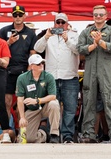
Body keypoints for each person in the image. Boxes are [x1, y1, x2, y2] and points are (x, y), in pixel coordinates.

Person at [77, 5, 111, 143]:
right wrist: (92, 46)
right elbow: (79, 49)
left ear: (106, 16)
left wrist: (100, 42)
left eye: (101, 14)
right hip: (90, 71)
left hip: (107, 71)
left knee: (110, 101)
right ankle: (88, 134)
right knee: (89, 101)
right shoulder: (86, 32)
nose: (98, 17)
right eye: (95, 14)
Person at [33, 12, 80, 143]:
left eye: (62, 23)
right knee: (52, 107)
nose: (60, 25)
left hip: (69, 77)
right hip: (52, 78)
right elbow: (37, 48)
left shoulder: (74, 35)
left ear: (67, 24)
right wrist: (46, 37)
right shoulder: (49, 36)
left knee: (70, 109)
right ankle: (53, 134)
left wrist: (67, 40)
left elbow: (78, 50)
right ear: (54, 23)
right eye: (57, 22)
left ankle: (67, 135)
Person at [15, 53, 60, 143]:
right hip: (32, 110)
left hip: (45, 107)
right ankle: (43, 133)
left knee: (54, 103)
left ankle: (54, 134)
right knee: (28, 139)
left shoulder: (49, 77)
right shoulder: (22, 78)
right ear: (31, 66)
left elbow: (53, 96)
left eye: (42, 63)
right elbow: (20, 99)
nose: (41, 65)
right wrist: (22, 117)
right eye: (38, 64)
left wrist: (37, 101)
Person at [0, 5, 36, 113]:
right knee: (6, 102)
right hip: (7, 70)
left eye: (20, 15)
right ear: (12, 16)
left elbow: (33, 53)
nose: (18, 17)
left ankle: (22, 129)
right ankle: (7, 128)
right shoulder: (4, 31)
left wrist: (30, 69)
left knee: (22, 103)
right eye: (15, 15)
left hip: (24, 70)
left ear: (24, 16)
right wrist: (8, 42)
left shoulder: (30, 33)